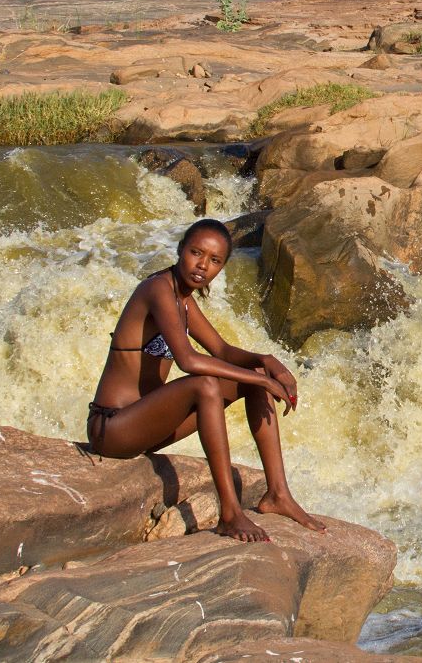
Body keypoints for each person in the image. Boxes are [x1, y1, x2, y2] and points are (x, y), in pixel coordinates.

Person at [87, 218, 324, 542]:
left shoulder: (184, 301)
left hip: (147, 427)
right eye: (196, 253)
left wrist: (265, 362)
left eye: (214, 260)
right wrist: (268, 383)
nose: (203, 265)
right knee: (206, 384)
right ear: (180, 250)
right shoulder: (158, 289)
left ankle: (278, 495)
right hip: (113, 429)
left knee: (252, 377)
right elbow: (188, 360)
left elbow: (222, 350)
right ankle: (230, 513)